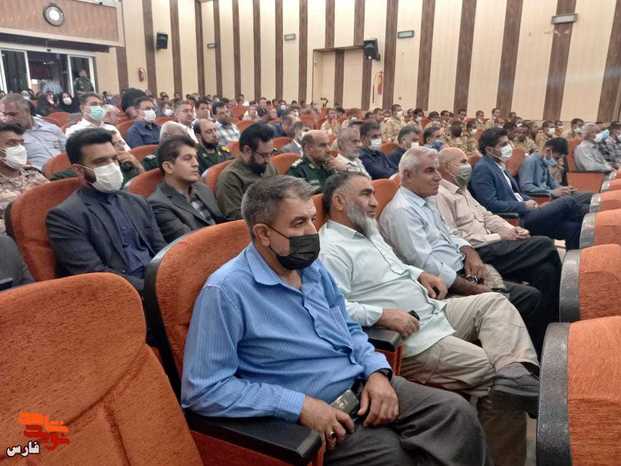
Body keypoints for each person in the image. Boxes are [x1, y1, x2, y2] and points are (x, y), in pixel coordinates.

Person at [182, 174, 488, 466]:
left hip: (361, 382)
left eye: (312, 220)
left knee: (456, 413)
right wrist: (298, 406)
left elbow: (349, 328)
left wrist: (376, 372)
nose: (311, 232)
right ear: (263, 234)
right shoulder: (225, 292)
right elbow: (205, 390)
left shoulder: (311, 268)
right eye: (298, 223)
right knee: (395, 456)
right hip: (317, 412)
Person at [320, 171, 540, 466]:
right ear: (339, 201)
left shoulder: (368, 231)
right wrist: (381, 314)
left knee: (494, 303)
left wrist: (419, 273)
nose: (374, 202)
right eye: (365, 194)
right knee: (494, 379)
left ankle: (516, 372)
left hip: (433, 310)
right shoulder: (331, 249)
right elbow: (335, 309)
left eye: (373, 193)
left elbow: (395, 267)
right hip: (411, 339)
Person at [380, 147, 542, 354]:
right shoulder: (402, 212)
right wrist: (473, 288)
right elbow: (425, 265)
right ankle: (516, 358)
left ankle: (538, 351)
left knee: (542, 272)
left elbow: (450, 233)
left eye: (437, 170)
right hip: (447, 286)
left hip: (465, 268)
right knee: (530, 295)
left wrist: (469, 252)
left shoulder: (425, 200)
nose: (438, 177)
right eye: (430, 171)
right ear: (408, 175)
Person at [437, 147, 562, 353]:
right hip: (479, 251)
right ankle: (561, 310)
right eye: (462, 162)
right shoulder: (441, 195)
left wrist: (510, 229)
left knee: (545, 271)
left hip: (494, 242)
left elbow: (487, 216)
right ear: (446, 167)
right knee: (545, 244)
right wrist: (499, 237)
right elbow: (456, 238)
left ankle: (546, 335)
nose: (468, 166)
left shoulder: (462, 188)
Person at [46, 128, 166, 293]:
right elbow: (95, 275)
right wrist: (157, 289)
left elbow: (162, 250)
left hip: (159, 281)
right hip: (123, 295)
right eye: (101, 162)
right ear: (79, 170)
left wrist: (171, 278)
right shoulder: (65, 217)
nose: (112, 166)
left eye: (114, 159)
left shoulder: (137, 202)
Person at [469, 128, 586, 249]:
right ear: (489, 149)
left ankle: (579, 258)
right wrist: (524, 206)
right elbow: (490, 204)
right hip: (516, 218)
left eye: (508, 142)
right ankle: (595, 223)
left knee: (573, 228)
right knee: (568, 201)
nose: (509, 147)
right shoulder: (483, 168)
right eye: (503, 145)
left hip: (528, 211)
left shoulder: (498, 164)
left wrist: (531, 201)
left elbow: (515, 192)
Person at [148, 136, 224, 243]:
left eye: (195, 158)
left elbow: (222, 222)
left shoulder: (202, 188)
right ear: (168, 167)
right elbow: (189, 243)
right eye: (188, 158)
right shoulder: (158, 204)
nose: (196, 164)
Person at [215, 123, 277, 220]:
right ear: (247, 150)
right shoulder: (230, 178)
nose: (268, 160)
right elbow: (236, 219)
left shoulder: (267, 166)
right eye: (264, 155)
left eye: (271, 153)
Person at [0, 123, 48, 234]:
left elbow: (55, 202)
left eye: (21, 143)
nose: (20, 149)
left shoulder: (33, 174)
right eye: (11, 143)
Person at [519, 138, 592, 207]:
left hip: (552, 195)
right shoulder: (530, 161)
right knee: (587, 202)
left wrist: (563, 189)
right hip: (543, 198)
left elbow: (552, 182)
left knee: (591, 197)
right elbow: (526, 186)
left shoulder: (544, 161)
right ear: (548, 150)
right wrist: (551, 192)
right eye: (556, 158)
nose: (557, 161)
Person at [1, 93, 66, 170]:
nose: (8, 119)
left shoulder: (51, 127)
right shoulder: (6, 137)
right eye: (4, 114)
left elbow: (67, 151)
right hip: (37, 173)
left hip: (65, 170)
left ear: (27, 111)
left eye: (12, 114)